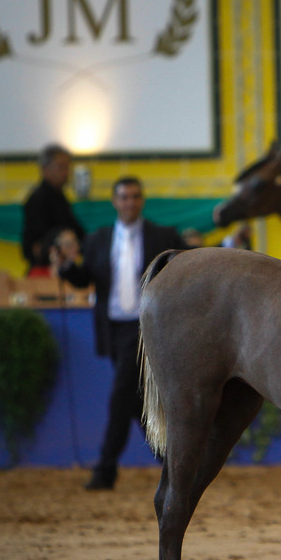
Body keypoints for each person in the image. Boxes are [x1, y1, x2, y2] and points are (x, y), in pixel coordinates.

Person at [57, 176, 187, 490]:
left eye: (135, 196)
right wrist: (66, 267)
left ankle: (105, 470)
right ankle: (173, 462)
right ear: (115, 202)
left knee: (120, 399)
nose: (130, 202)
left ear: (141, 201)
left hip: (147, 328)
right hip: (113, 329)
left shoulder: (163, 236)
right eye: (124, 197)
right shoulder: (97, 239)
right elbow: (84, 279)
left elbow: (189, 264)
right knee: (134, 402)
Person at [21, 143, 85, 277]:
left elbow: (78, 232)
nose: (67, 172)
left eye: (68, 167)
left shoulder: (61, 198)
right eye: (61, 167)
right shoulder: (38, 199)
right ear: (45, 169)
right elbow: (35, 244)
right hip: (45, 272)